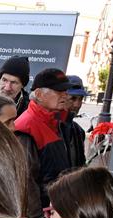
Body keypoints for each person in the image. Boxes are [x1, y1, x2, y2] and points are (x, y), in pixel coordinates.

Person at [0, 94, 44, 218]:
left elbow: (30, 193)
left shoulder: (15, 148)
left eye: (14, 120)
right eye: (8, 122)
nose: (13, 127)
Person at [15, 67, 73, 208]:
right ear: (39, 94)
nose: (65, 95)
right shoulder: (26, 126)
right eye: (59, 91)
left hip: (56, 207)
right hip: (41, 212)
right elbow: (25, 184)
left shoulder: (60, 122)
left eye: (66, 91)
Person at [62, 74, 89, 168]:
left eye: (80, 99)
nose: (77, 104)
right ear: (62, 97)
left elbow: (81, 165)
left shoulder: (79, 131)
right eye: (73, 98)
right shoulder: (51, 127)